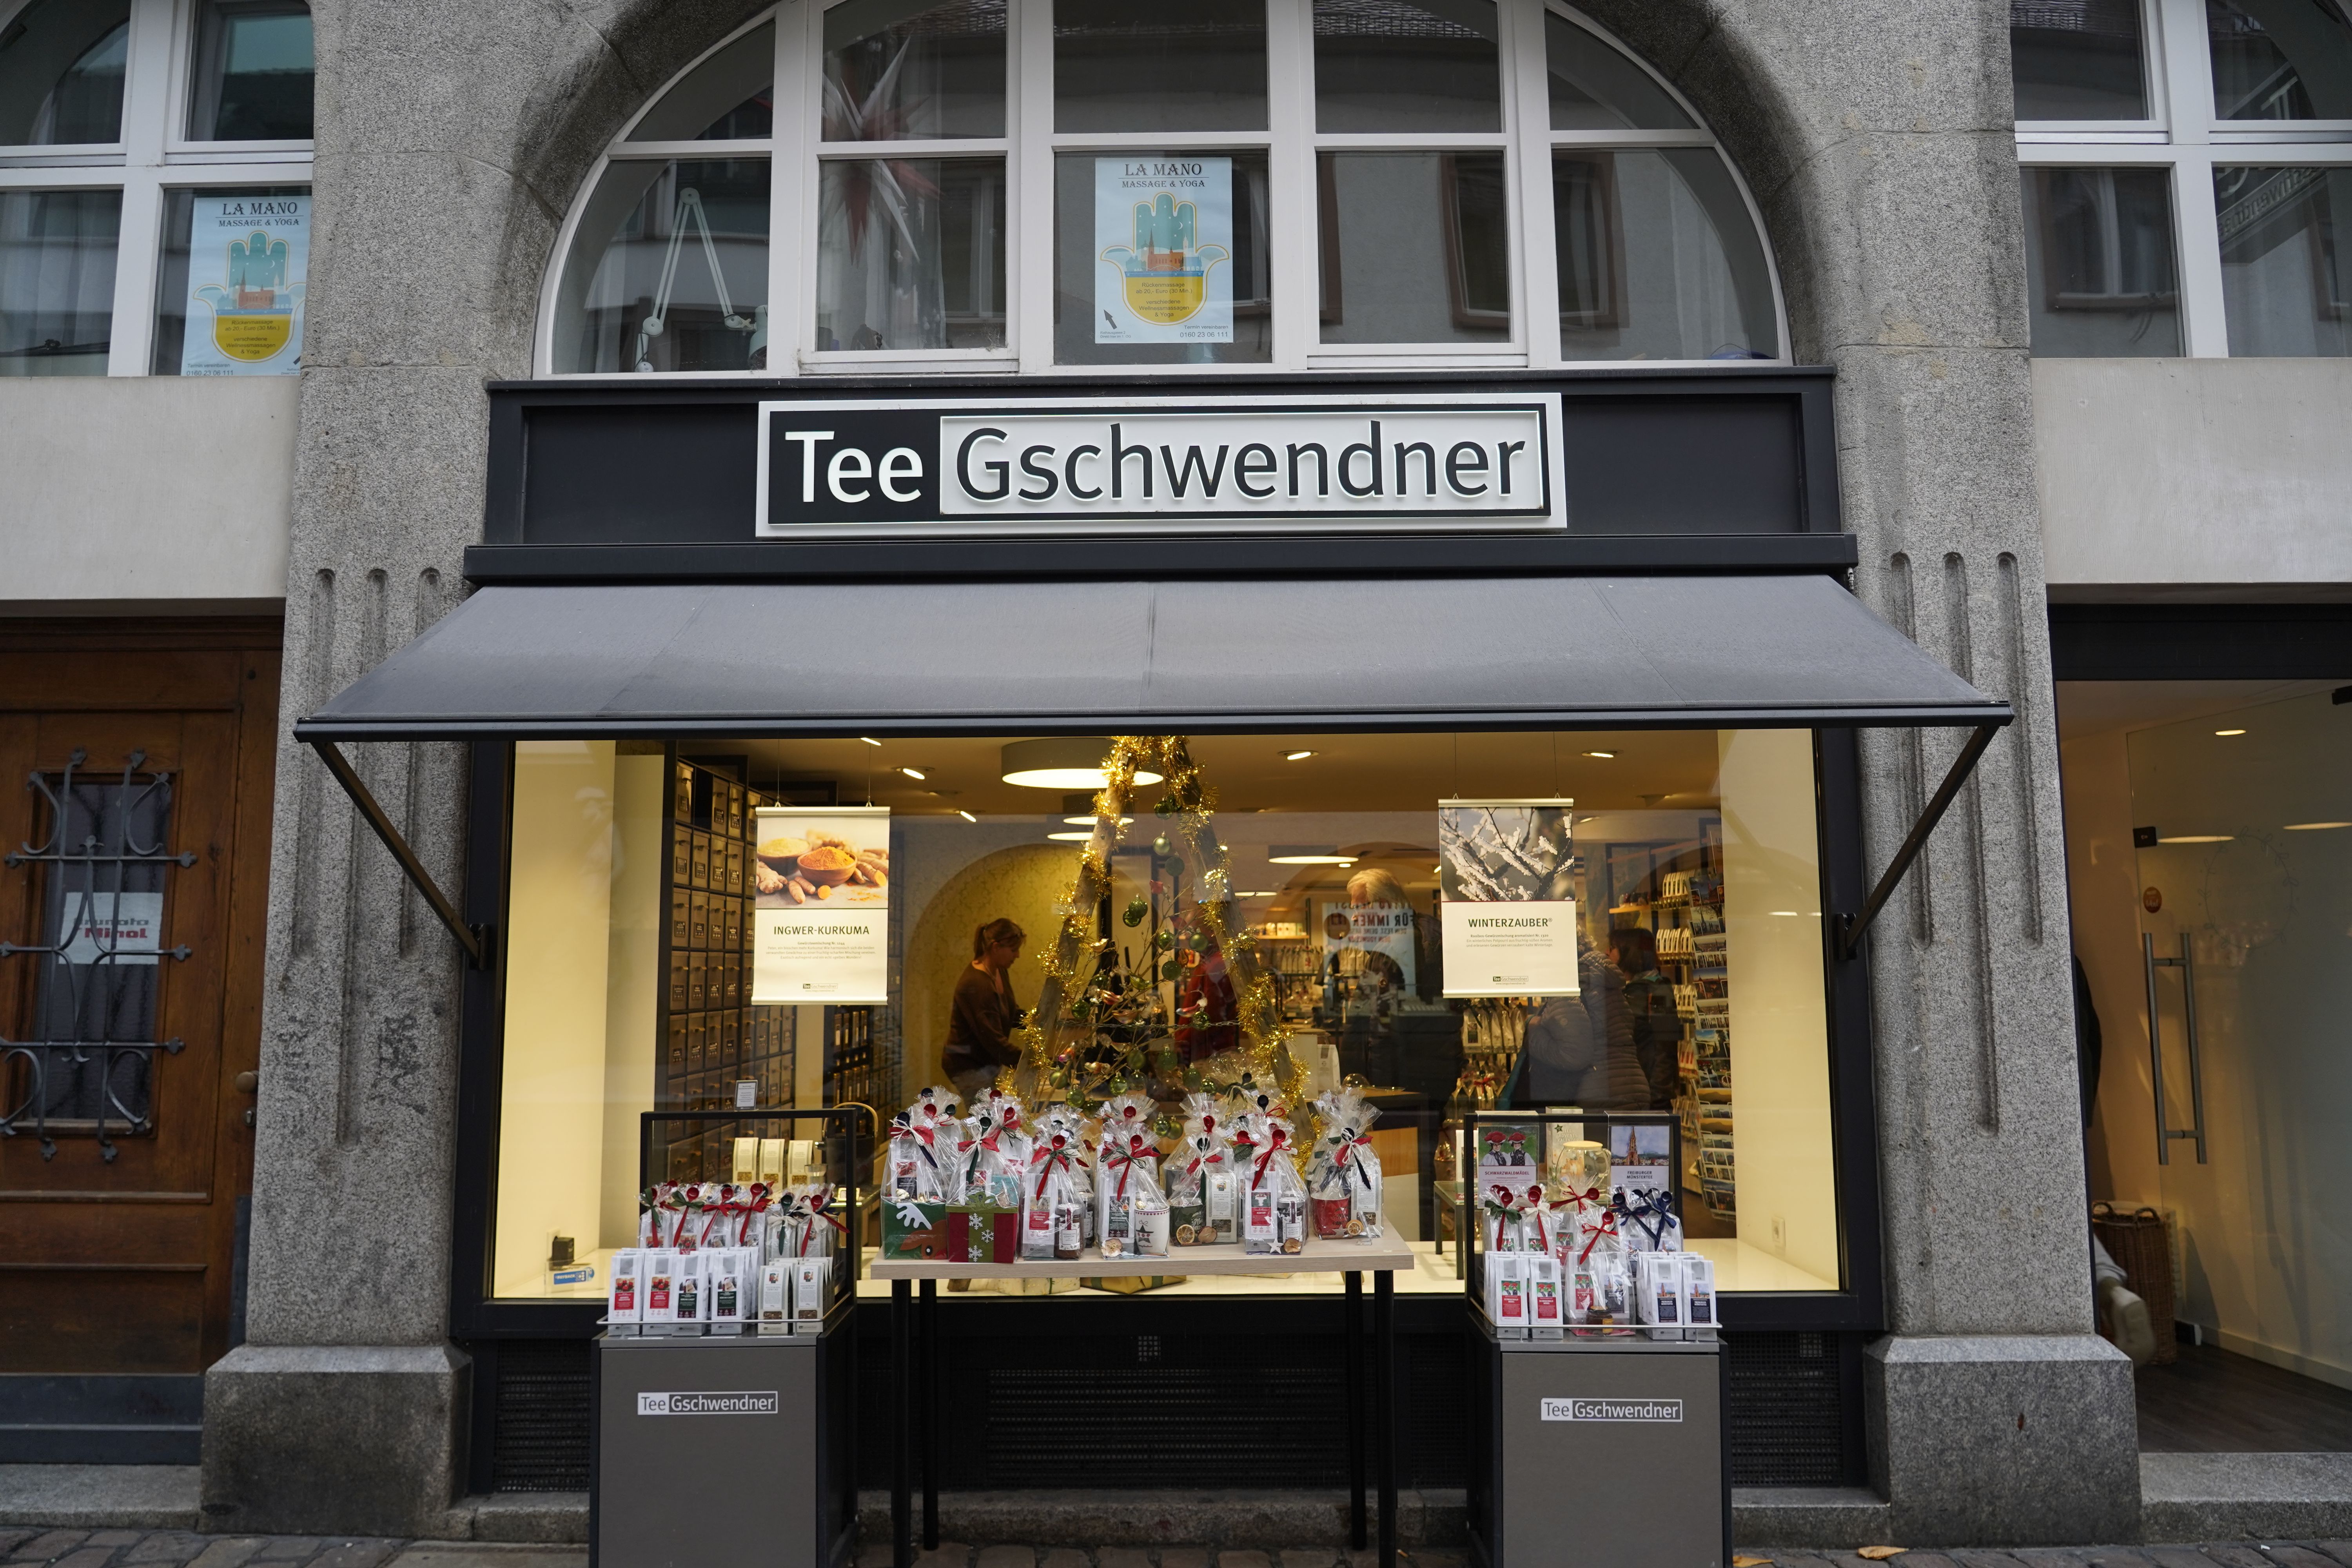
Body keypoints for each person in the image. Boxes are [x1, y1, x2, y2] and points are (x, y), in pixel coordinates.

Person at [942, 918, 1025, 1102]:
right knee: (987, 1119)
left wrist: (1038, 1023)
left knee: (994, 1115)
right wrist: (1027, 1062)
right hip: (967, 1065)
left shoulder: (998, 970)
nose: (1018, 955)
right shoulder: (976, 985)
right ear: (996, 947)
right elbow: (992, 1039)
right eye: (1013, 950)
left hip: (983, 1063)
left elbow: (1010, 1013)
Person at [1611, 926, 1679, 1110]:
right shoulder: (1622, 990)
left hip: (1649, 1099)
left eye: (1613, 947)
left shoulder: (1658, 991)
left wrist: (1657, 1099)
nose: (1608, 953)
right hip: (1628, 1094)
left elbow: (1666, 1050)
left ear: (1629, 952)